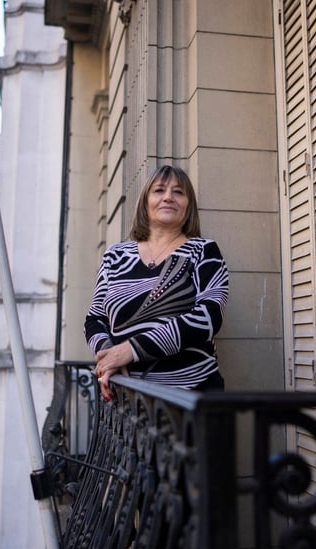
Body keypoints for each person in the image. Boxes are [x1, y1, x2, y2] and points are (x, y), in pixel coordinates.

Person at [86, 165, 229, 399]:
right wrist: (108, 356)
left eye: (178, 192)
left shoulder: (204, 251)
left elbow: (209, 317)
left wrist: (131, 350)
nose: (168, 197)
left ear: (188, 205)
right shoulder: (116, 255)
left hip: (190, 397)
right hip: (129, 400)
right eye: (159, 190)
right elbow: (95, 318)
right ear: (145, 202)